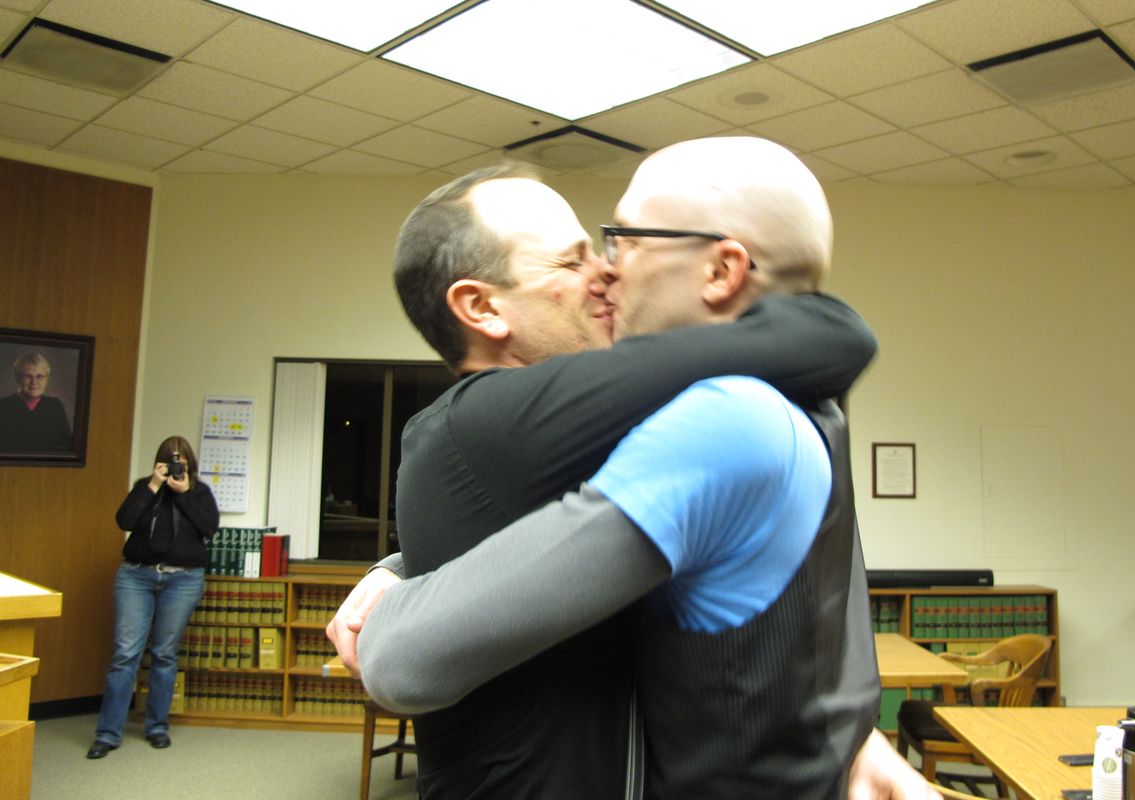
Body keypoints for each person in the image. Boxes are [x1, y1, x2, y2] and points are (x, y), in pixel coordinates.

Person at [328, 151, 928, 799]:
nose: (605, 271)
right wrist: (403, 578)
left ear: (723, 268)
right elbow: (407, 656)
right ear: (481, 308)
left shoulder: (724, 418)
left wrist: (403, 570)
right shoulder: (482, 424)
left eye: (615, 244)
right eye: (573, 258)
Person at [87, 436, 218, 759]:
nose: (175, 468)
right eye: (169, 462)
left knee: (164, 654)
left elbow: (209, 528)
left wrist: (184, 493)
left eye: (181, 463)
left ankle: (157, 727)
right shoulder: (145, 487)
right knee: (124, 654)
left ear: (190, 464)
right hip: (136, 576)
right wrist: (152, 486)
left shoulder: (199, 492)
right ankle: (107, 733)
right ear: (159, 463)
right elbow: (125, 521)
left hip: (182, 580)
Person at [0, 352, 72, 452]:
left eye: (40, 376)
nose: (34, 382)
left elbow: (65, 446)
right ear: (17, 379)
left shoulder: (55, 406)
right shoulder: (3, 407)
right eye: (28, 376)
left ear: (47, 380)